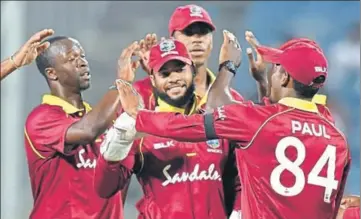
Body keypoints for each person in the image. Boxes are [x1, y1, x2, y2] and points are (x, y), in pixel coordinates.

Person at [116, 38, 351, 219]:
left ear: (284, 77)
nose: (272, 70)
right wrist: (263, 83)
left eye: (276, 66)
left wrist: (139, 115)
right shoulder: (337, 137)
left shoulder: (256, 121)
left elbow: (196, 120)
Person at [94, 38, 242, 219]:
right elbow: (105, 188)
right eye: (165, 74)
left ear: (193, 70)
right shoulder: (138, 129)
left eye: (180, 70)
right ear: (153, 81)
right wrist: (114, 148)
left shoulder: (215, 120)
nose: (174, 79)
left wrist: (239, 211)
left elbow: (240, 179)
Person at [24, 36, 139, 219]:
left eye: (82, 56)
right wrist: (122, 82)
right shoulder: (41, 119)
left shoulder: (103, 119)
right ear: (52, 73)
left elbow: (119, 181)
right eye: (72, 59)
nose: (83, 63)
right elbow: (88, 131)